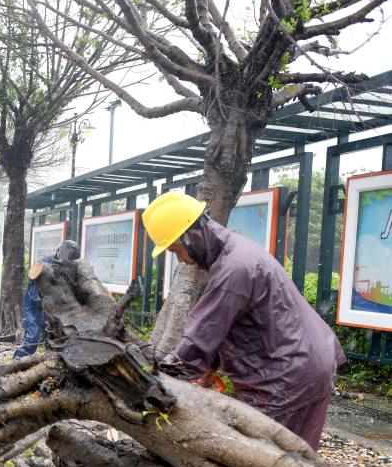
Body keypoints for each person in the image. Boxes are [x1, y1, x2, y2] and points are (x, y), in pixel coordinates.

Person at [145, 191, 346, 450]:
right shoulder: (238, 254)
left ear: (191, 236)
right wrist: (208, 368)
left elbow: (202, 335)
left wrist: (158, 381)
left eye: (176, 250)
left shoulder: (234, 268)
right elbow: (229, 324)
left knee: (263, 463)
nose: (182, 260)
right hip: (307, 366)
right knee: (299, 461)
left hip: (285, 377)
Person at [14, 241, 80, 359]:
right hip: (33, 307)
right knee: (32, 338)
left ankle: (46, 364)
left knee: (51, 339)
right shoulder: (43, 263)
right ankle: (16, 362)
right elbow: (37, 289)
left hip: (50, 310)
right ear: (59, 251)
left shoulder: (68, 267)